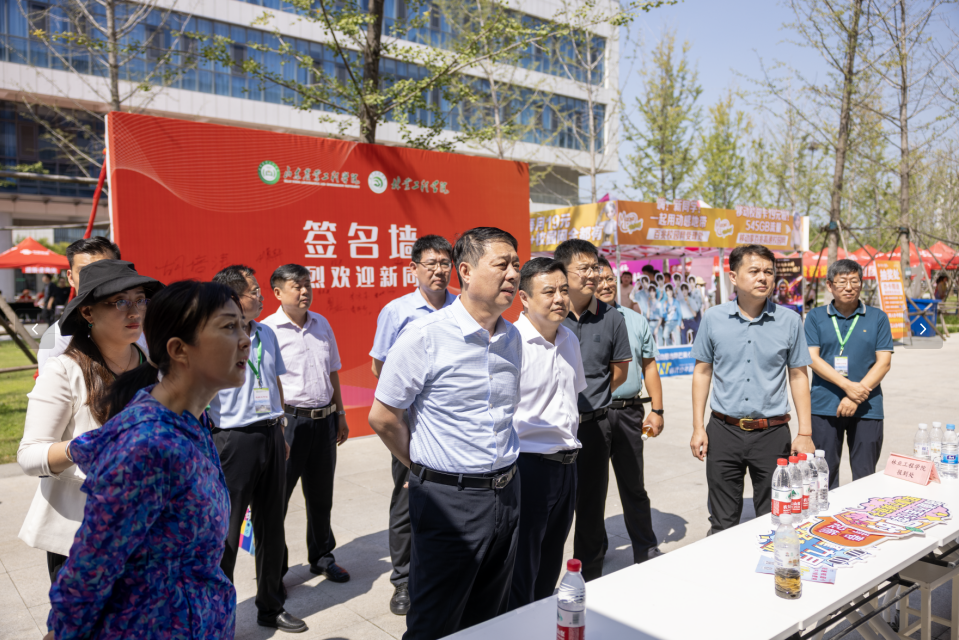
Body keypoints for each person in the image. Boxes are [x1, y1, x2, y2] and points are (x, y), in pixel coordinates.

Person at [43, 280, 247, 640]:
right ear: (179, 349)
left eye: (244, 326)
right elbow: (91, 567)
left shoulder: (193, 422)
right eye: (229, 326)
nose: (245, 339)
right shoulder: (147, 445)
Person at [368, 227, 523, 640]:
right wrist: (423, 468)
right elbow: (383, 416)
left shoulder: (512, 337)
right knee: (435, 621)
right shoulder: (425, 335)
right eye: (502, 264)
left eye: (516, 265)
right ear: (466, 271)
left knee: (490, 618)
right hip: (449, 502)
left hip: (507, 493)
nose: (513, 274)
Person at [18, 260, 159, 586]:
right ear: (88, 313)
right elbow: (29, 455)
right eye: (120, 302)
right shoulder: (64, 371)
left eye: (140, 300)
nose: (134, 311)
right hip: (83, 538)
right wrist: (84, 448)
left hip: (147, 532)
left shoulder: (154, 367)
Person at [690, 245, 814, 534]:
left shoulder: (789, 321)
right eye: (755, 271)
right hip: (723, 431)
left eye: (769, 272)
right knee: (722, 521)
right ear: (733, 276)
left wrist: (805, 433)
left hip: (772, 433)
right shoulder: (713, 318)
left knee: (777, 518)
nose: (763, 278)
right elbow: (702, 372)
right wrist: (698, 427)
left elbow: (798, 376)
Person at [210, 265, 306, 633]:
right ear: (234, 298)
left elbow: (273, 380)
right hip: (233, 440)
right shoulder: (214, 336)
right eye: (254, 291)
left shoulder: (266, 333)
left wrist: (280, 426)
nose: (261, 296)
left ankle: (271, 605)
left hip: (271, 434)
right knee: (227, 533)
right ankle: (219, 617)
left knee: (271, 525)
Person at [369, 235, 455, 616]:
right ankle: (403, 580)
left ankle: (441, 568)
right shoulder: (397, 311)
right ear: (414, 268)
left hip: (449, 425)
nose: (439, 270)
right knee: (407, 499)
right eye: (431, 263)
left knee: (449, 499)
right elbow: (380, 367)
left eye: (444, 263)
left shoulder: (461, 306)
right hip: (410, 425)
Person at [261, 264, 351, 587]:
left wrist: (340, 414)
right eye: (296, 286)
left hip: (324, 422)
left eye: (307, 285)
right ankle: (275, 572)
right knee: (277, 501)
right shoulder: (267, 330)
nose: (304, 291)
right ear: (277, 292)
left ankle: (323, 557)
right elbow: (263, 381)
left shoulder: (321, 324)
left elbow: (333, 371)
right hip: (288, 423)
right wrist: (272, 427)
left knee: (321, 497)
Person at [507, 258, 586, 610]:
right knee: (522, 565)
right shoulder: (509, 343)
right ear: (524, 298)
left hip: (567, 466)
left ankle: (540, 620)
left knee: (551, 560)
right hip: (527, 467)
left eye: (564, 291)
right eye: (549, 291)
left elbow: (572, 397)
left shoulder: (570, 339)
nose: (559, 299)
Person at [554, 238, 631, 582]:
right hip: (551, 430)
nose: (592, 275)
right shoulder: (548, 313)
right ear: (562, 272)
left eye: (595, 267)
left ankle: (588, 583)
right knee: (551, 511)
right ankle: (539, 588)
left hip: (595, 426)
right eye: (583, 268)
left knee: (590, 512)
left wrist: (592, 398)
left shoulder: (612, 317)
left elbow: (619, 372)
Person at [594, 257, 665, 564]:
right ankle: (594, 551)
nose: (606, 284)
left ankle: (645, 548)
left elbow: (649, 366)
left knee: (634, 485)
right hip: (592, 416)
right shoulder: (574, 322)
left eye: (609, 278)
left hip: (628, 412)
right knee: (591, 490)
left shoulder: (635, 320)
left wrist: (657, 410)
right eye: (598, 280)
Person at [805, 259, 893, 487]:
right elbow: (812, 358)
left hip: (867, 407)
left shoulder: (878, 317)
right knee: (823, 475)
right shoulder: (815, 317)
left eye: (854, 281)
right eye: (842, 282)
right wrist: (848, 387)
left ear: (861, 284)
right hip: (824, 405)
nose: (849, 287)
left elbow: (884, 363)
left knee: (865, 475)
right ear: (829, 285)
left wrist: (855, 396)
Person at [36, 237, 146, 374]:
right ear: (70, 277)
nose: (96, 280)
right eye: (85, 272)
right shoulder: (56, 340)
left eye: (105, 270)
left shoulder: (135, 325)